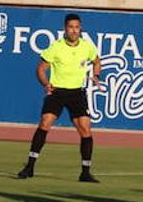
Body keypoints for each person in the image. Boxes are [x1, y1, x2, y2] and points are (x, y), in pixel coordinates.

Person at [17, 13, 101, 182]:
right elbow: (41, 68)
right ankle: (30, 166)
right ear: (65, 29)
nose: (74, 30)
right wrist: (45, 83)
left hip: (77, 93)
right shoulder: (56, 47)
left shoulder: (87, 47)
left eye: (77, 27)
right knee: (45, 122)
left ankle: (85, 172)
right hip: (57, 92)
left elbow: (97, 60)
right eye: (71, 27)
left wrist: (96, 75)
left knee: (85, 128)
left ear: (80, 28)